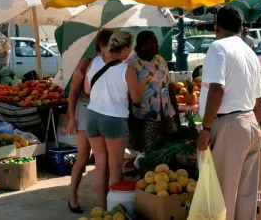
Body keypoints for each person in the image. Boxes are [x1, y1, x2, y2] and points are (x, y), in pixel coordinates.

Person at [197, 6, 261, 220]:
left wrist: (206, 129)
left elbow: (217, 90)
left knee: (223, 198)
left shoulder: (218, 47)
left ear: (216, 27)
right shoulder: (250, 53)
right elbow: (259, 102)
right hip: (251, 124)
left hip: (230, 125)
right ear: (241, 28)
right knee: (246, 195)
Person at [84, 31, 151, 210]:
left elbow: (87, 90)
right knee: (115, 167)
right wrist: (143, 83)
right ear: (126, 48)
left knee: (100, 164)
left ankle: (102, 208)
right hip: (113, 118)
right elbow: (136, 98)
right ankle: (114, 211)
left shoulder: (94, 62)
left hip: (92, 116)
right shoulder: (126, 69)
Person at [65, 29, 114, 214]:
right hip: (85, 109)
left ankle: (107, 197)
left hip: (105, 111)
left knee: (105, 159)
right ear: (101, 46)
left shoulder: (115, 63)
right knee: (84, 156)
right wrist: (72, 118)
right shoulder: (86, 64)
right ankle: (72, 196)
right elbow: (73, 91)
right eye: (111, 45)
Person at [126, 31, 178, 152]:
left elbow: (169, 84)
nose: (157, 45)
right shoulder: (131, 64)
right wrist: (131, 117)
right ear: (143, 46)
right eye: (153, 42)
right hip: (144, 116)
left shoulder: (161, 60)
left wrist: (175, 109)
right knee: (148, 152)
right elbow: (127, 93)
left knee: (168, 150)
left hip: (166, 114)